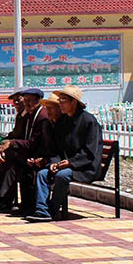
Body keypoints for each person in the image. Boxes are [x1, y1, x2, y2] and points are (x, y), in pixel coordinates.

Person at [26, 86, 103, 222]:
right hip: (65, 164)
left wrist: (70, 163)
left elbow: (90, 152)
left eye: (63, 100)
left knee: (62, 175)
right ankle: (41, 210)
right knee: (42, 174)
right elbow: (56, 148)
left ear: (73, 102)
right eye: (60, 100)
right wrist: (54, 162)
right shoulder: (63, 121)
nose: (60, 103)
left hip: (84, 167)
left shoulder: (89, 121)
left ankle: (52, 210)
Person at [0, 88, 48, 213]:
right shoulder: (27, 115)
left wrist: (10, 144)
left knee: (9, 160)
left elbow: (32, 143)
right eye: (25, 101)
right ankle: (0, 201)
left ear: (38, 101)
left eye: (30, 101)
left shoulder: (42, 117)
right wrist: (2, 146)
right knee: (5, 158)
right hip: (27, 153)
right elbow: (17, 137)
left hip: (40, 155)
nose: (26, 104)